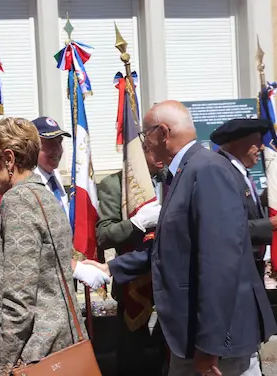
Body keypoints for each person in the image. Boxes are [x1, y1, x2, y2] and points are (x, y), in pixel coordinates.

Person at [85, 100, 277, 376]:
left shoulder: (206, 170)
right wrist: (110, 268)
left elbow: (219, 262)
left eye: (146, 134)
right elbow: (174, 248)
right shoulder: (186, 171)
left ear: (162, 132)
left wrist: (209, 345)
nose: (144, 144)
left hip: (218, 339)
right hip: (195, 337)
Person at [0, 117, 109, 376]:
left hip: (34, 354)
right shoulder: (43, 195)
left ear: (9, 160)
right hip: (57, 344)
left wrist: (0, 368)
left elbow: (19, 301)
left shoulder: (19, 202)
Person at [96, 142, 166, 375]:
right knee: (132, 354)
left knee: (169, 351)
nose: (162, 156)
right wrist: (136, 224)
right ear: (139, 152)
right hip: (133, 279)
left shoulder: (173, 180)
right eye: (155, 150)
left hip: (171, 278)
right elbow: (104, 235)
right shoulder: (114, 185)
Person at [210, 118, 277, 281]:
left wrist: (266, 198)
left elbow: (242, 209)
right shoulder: (220, 173)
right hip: (235, 268)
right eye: (257, 141)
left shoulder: (236, 170)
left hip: (248, 262)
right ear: (237, 143)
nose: (263, 146)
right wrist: (272, 224)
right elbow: (224, 228)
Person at [31, 116, 71, 216]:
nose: (57, 150)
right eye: (50, 143)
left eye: (59, 142)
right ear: (33, 146)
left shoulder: (54, 176)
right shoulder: (30, 184)